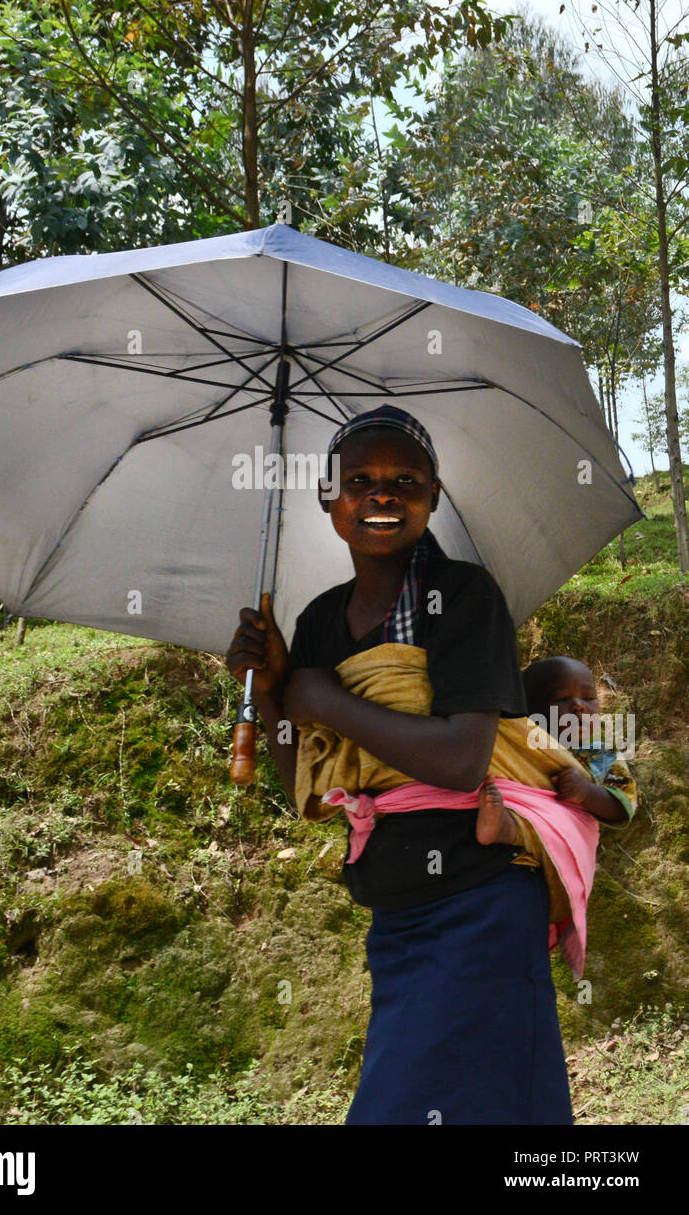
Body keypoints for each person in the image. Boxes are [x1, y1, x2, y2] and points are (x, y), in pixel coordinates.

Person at [225, 404, 573, 1125]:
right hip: (397, 916)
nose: (381, 494)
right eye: (359, 480)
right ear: (328, 498)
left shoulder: (462, 597)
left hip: (477, 903)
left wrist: (320, 697)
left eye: (403, 479)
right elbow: (305, 785)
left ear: (433, 496)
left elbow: (458, 758)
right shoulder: (319, 621)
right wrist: (271, 694)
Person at [475, 657, 637, 850]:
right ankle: (504, 826)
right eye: (561, 699)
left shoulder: (600, 753)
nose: (579, 706)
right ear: (528, 709)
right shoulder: (517, 745)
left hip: (565, 838)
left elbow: (622, 805)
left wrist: (586, 792)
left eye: (588, 698)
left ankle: (507, 830)